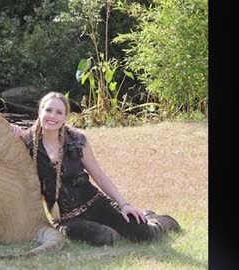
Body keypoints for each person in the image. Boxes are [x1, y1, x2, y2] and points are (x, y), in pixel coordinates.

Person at [10, 92, 180, 246]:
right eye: (48, 110)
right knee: (101, 237)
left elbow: (99, 175)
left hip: (95, 202)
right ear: (39, 112)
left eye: (59, 112)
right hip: (67, 218)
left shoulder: (76, 140)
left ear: (65, 117)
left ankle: (155, 220)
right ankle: (114, 229)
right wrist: (11, 134)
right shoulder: (25, 143)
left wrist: (123, 204)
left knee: (144, 235)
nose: (52, 116)